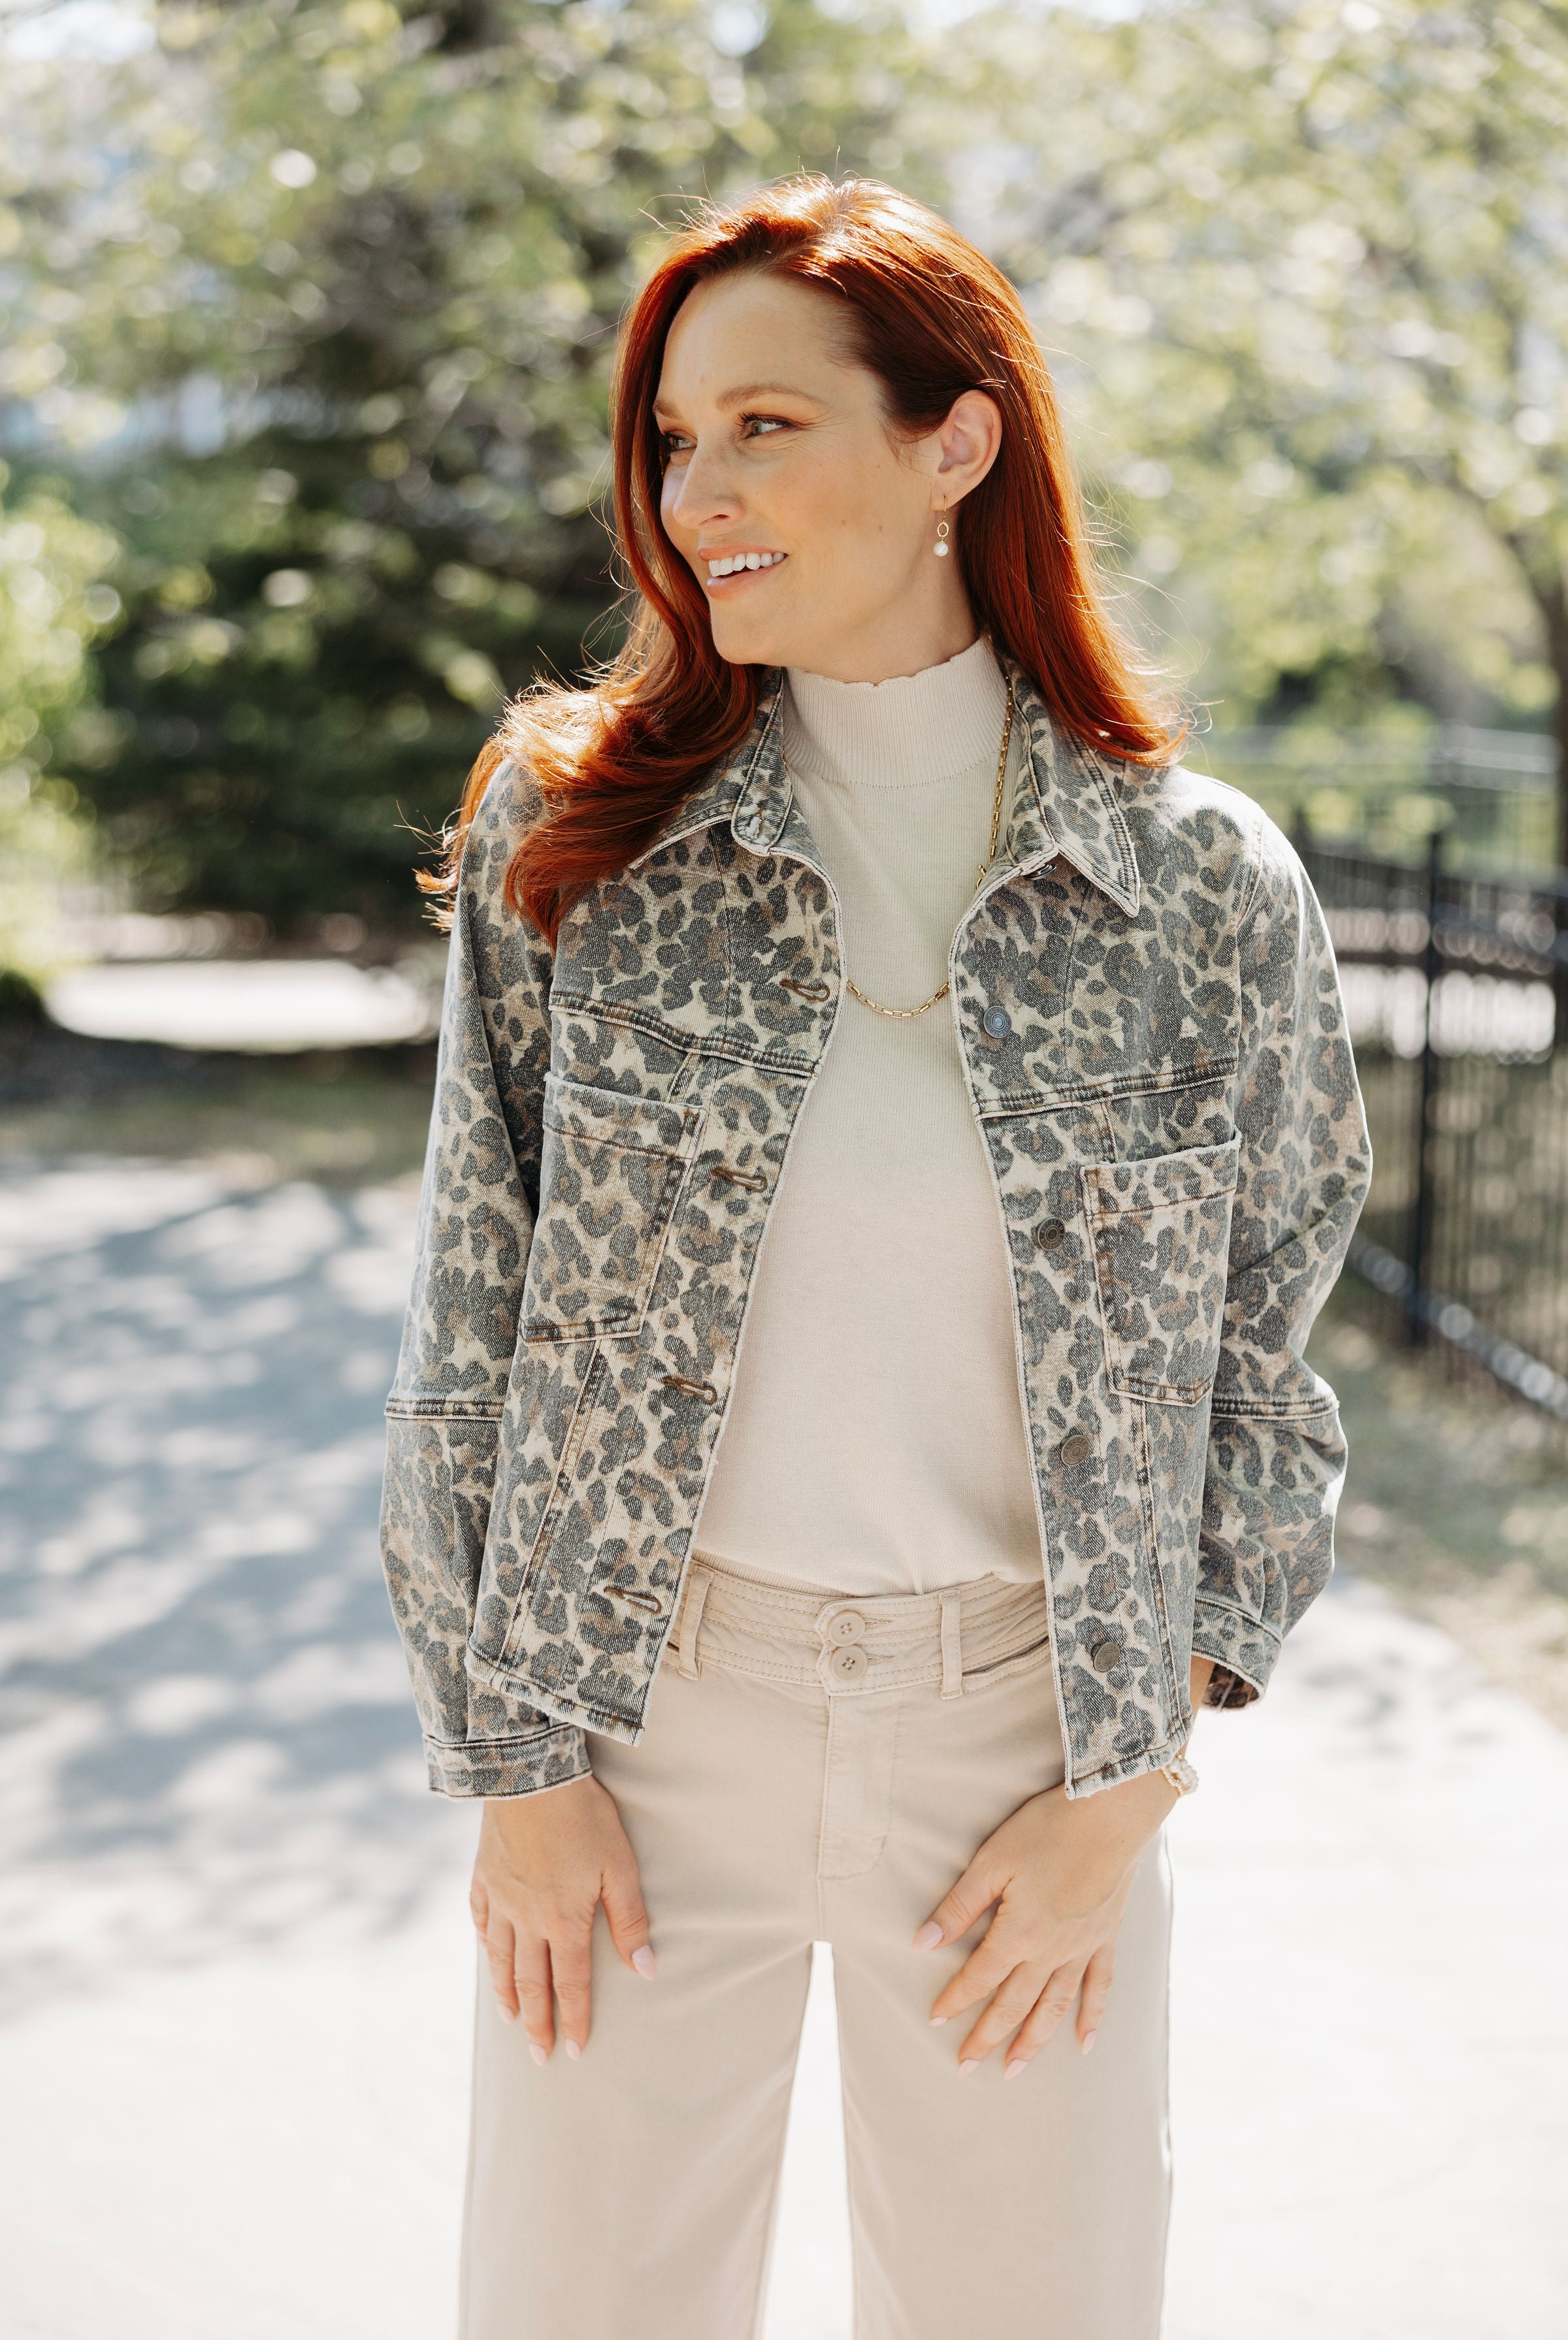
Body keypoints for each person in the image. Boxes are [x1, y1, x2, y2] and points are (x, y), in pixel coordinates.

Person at [380, 174, 1369, 2340]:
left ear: (956, 442)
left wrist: (1132, 1787)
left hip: (1031, 1753)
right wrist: (516, 1771)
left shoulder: (1202, 885)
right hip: (640, 1735)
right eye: (669, 438)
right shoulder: (583, 847)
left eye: (763, 427)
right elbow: (473, 1324)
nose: (694, 492)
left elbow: (1265, 1377)